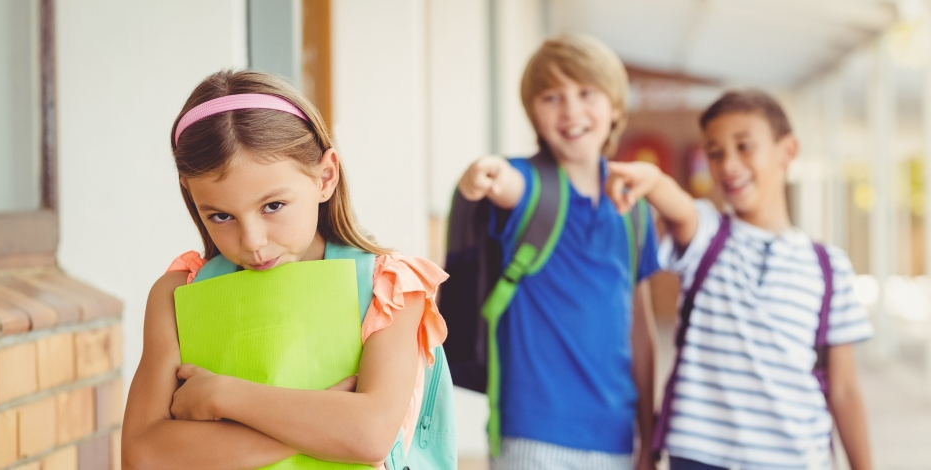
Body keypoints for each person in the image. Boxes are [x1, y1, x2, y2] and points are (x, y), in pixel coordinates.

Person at [122, 70, 450, 469]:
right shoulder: (176, 294)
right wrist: (326, 422)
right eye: (221, 216)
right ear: (192, 198)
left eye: (273, 206)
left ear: (325, 177)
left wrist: (223, 396)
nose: (253, 241)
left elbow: (368, 436)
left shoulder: (390, 287)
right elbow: (143, 455)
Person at [606, 89, 874, 470]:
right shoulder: (708, 236)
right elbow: (678, 208)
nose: (728, 164)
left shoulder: (829, 266)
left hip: (795, 459)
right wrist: (653, 179)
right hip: (700, 455)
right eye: (715, 153)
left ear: (788, 150)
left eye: (744, 146)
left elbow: (844, 388)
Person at [458, 33, 659, 470]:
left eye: (586, 92)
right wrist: (485, 175)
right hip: (532, 434)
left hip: (617, 437)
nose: (570, 110)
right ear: (534, 113)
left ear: (616, 108)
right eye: (552, 97)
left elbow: (640, 330)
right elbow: (505, 182)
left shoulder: (634, 207)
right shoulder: (530, 184)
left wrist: (648, 436)